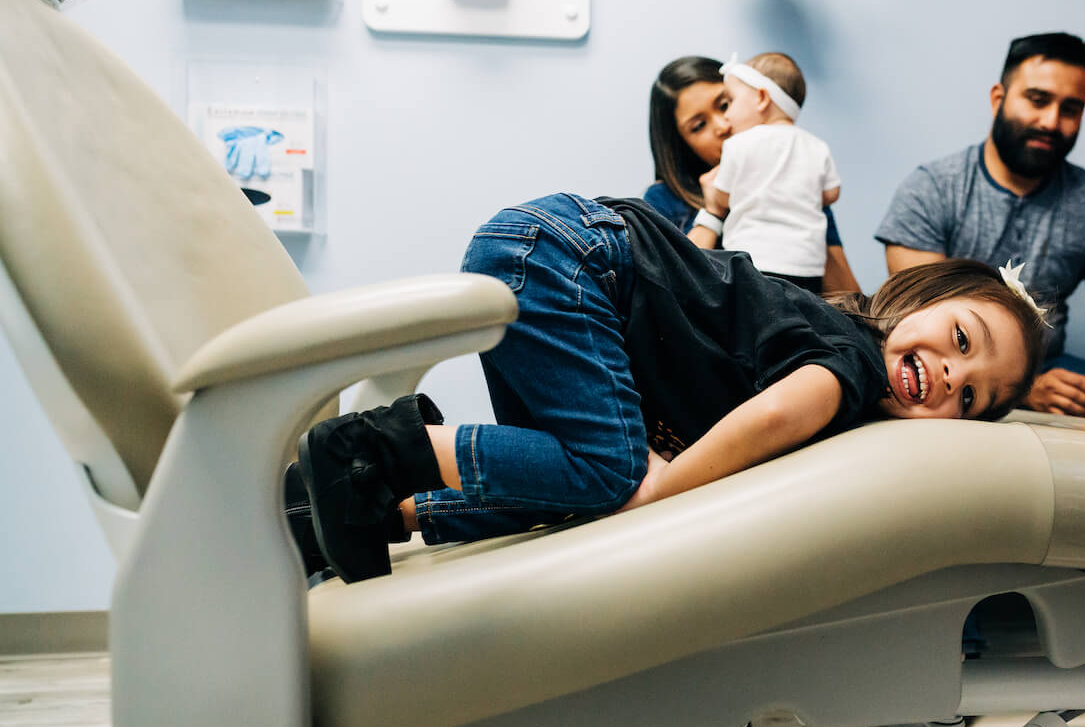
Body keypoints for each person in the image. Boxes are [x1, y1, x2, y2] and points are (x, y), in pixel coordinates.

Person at [288, 192, 1046, 584]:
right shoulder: (849, 362)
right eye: (960, 340)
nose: (952, 376)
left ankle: (374, 509)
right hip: (576, 259)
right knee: (614, 475)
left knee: (567, 493)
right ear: (918, 300)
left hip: (547, 251)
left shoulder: (840, 365)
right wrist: (665, 489)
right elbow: (786, 407)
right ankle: (376, 450)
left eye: (973, 397)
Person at [876, 32, 1085, 433]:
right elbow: (914, 311)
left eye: (1071, 109)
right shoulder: (932, 188)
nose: (1051, 122)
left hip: (1059, 371)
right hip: (959, 378)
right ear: (998, 99)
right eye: (1037, 100)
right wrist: (1022, 390)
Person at [644, 55, 861, 293]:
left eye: (726, 104)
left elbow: (846, 297)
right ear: (684, 145)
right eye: (699, 126)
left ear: (760, 98)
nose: (723, 125)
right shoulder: (664, 200)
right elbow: (673, 294)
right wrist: (713, 211)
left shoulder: (796, 178)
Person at [703, 52, 841, 293]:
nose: (726, 116)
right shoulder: (817, 146)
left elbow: (724, 198)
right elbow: (831, 194)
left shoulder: (738, 144)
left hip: (751, 262)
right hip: (807, 266)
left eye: (730, 102)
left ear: (762, 98)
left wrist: (715, 197)